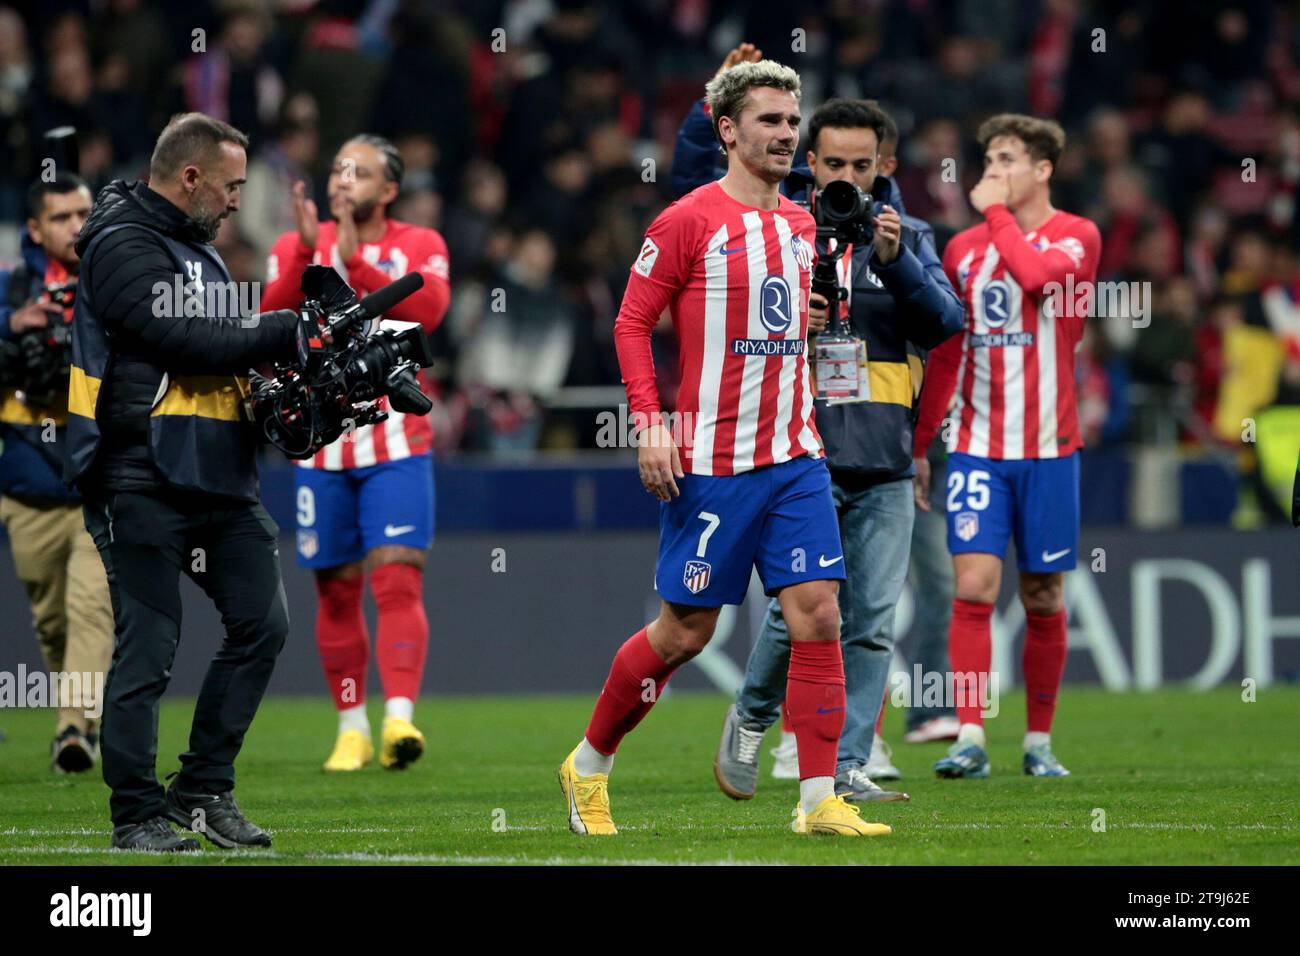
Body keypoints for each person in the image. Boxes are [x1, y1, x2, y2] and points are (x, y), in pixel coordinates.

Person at [557, 59, 889, 838]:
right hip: (711, 461)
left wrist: (805, 327)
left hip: (795, 455)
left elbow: (783, 323)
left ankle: (817, 802)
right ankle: (589, 763)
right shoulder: (686, 219)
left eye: (790, 119)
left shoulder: (805, 224)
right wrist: (650, 424)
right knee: (685, 633)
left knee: (817, 613)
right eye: (769, 120)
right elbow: (631, 323)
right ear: (729, 130)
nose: (785, 133)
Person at [679, 53, 963, 805]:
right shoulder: (786, 225)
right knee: (797, 614)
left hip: (886, 454)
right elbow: (694, 193)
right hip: (798, 443)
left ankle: (844, 766)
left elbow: (947, 326)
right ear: (812, 158)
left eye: (861, 164)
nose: (847, 175)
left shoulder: (908, 235)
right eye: (832, 160)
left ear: (885, 165)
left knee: (869, 622)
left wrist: (899, 262)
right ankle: (753, 714)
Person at [68, 112, 303, 850]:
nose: (239, 201)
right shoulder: (119, 242)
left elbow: (221, 357)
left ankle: (202, 787)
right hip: (137, 475)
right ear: (191, 176)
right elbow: (185, 338)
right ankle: (135, 813)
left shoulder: (196, 252)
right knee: (150, 647)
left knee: (263, 624)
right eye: (231, 186)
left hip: (215, 477)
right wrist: (282, 327)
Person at [912, 114, 1102, 778]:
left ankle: (1038, 743)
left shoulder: (1077, 236)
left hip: (1050, 449)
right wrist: (921, 442)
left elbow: (1041, 281)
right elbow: (947, 350)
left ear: (1042, 169)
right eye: (988, 158)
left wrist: (996, 217)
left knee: (1043, 593)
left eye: (1008, 159)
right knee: (973, 585)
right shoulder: (961, 249)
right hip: (977, 448)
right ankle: (970, 736)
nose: (992, 171)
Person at [261, 134, 450, 772]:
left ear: (389, 189)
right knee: (336, 592)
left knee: (396, 577)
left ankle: (399, 720)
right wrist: (309, 254)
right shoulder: (295, 245)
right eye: (337, 171)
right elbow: (269, 320)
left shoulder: (419, 243)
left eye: (359, 173)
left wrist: (357, 268)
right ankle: (350, 728)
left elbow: (430, 311)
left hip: (396, 440)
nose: (342, 182)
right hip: (321, 446)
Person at [0, 172, 113, 773]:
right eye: (64, 216)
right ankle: (80, 710)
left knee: (92, 609)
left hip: (95, 485)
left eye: (84, 213)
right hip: (27, 491)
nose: (77, 225)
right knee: (54, 623)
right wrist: (10, 328)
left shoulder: (110, 286)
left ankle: (76, 729)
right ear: (37, 229)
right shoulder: (13, 289)